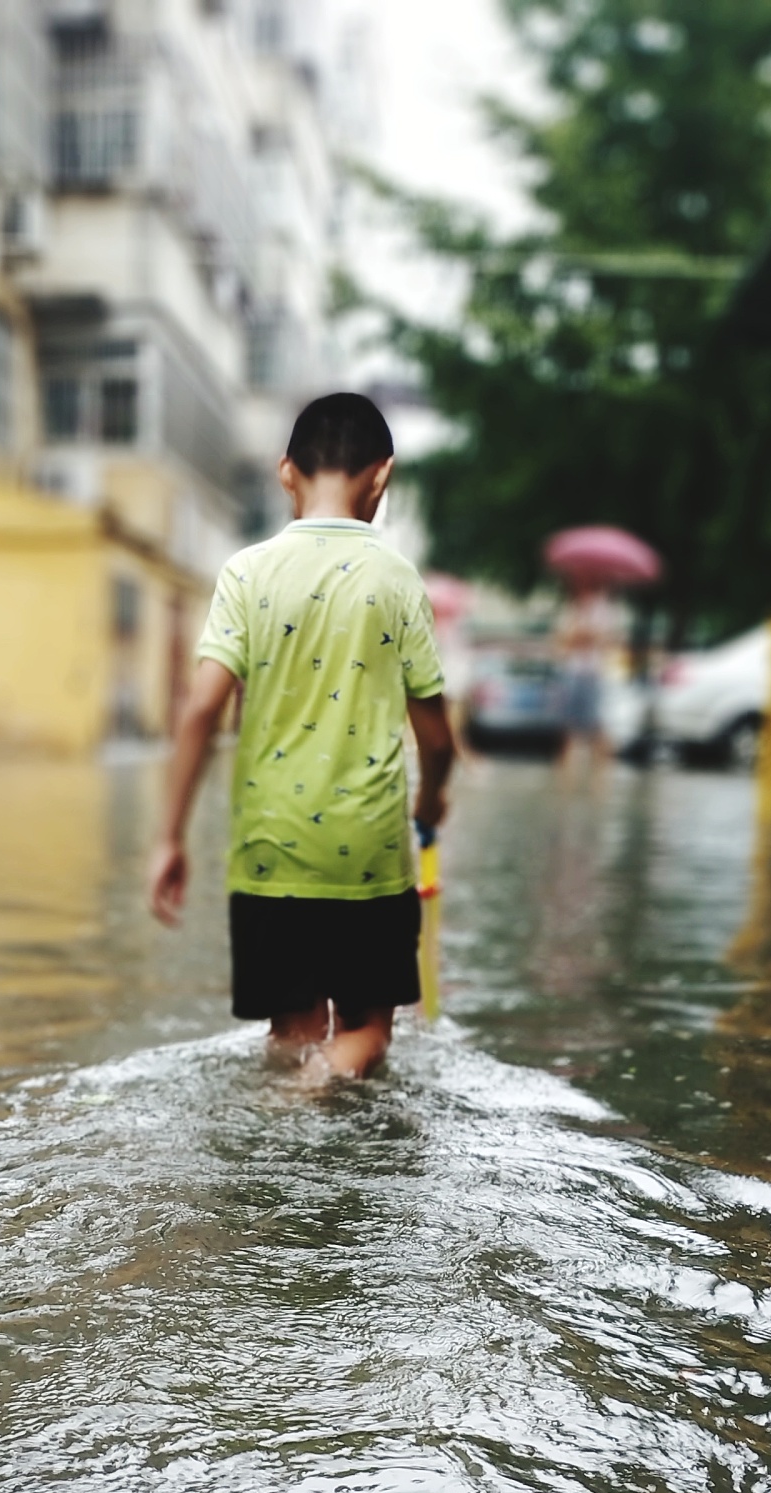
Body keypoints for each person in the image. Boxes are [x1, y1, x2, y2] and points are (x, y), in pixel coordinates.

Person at [147, 393, 455, 1083]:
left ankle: (291, 1093)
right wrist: (431, 801)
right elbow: (437, 740)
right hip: (368, 858)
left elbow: (199, 711)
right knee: (367, 1032)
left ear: (285, 471)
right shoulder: (397, 580)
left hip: (269, 854)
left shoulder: (245, 573)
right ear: (382, 475)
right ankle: (318, 1085)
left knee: (291, 1036)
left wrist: (169, 837)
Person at [555, 584, 623, 780]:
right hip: (573, 671)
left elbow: (604, 640)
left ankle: (603, 771)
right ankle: (566, 774)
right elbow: (564, 641)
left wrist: (585, 634)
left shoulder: (604, 610)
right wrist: (582, 633)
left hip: (593, 673)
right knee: (568, 725)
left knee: (595, 725)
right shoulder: (573, 611)